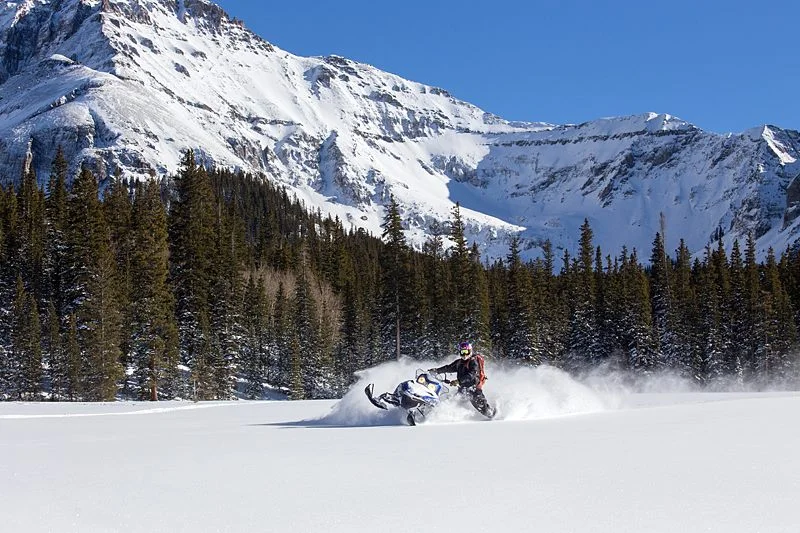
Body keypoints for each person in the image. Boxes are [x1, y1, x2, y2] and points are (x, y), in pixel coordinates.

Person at [430, 341, 496, 419]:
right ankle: (441, 417)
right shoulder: (459, 362)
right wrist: (437, 370)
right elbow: (448, 368)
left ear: (470, 351)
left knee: (483, 409)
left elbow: (471, 375)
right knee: (452, 402)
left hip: (474, 389)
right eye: (462, 352)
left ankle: (495, 415)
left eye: (466, 352)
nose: (464, 354)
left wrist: (458, 381)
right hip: (463, 389)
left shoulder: (473, 362)